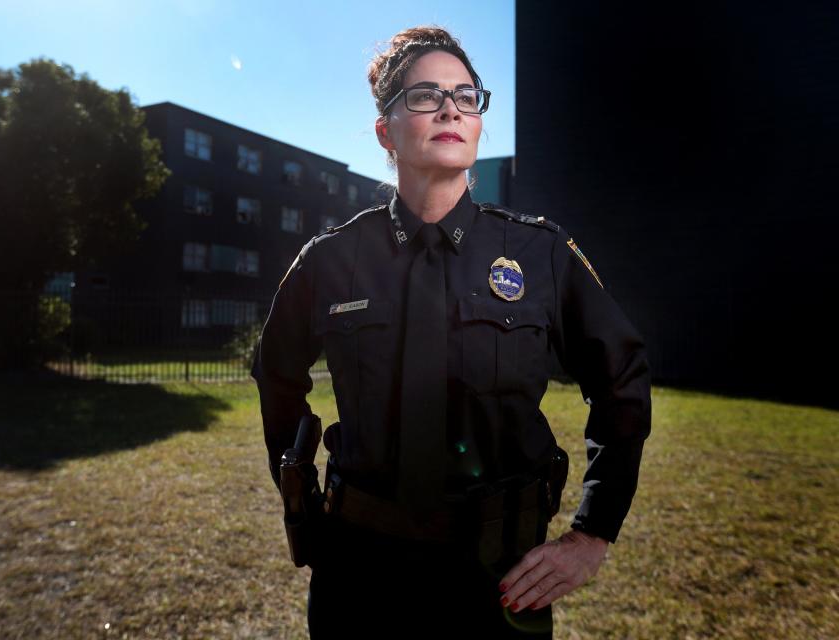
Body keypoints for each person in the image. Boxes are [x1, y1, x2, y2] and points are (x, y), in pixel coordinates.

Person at [251, 25, 652, 639]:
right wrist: (300, 496)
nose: (449, 109)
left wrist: (593, 531)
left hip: (498, 581)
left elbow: (622, 377)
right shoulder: (331, 261)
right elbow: (276, 374)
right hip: (359, 577)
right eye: (424, 96)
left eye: (466, 96)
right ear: (385, 130)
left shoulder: (539, 252)